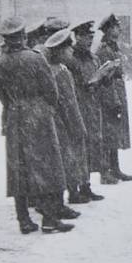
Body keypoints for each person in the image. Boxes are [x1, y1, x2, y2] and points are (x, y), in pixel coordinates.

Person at [0, 17, 73, 234]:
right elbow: (51, 91)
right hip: (38, 116)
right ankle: (49, 219)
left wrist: (14, 109)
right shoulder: (35, 59)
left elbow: (3, 96)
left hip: (14, 117)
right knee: (47, 166)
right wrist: (44, 107)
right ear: (22, 36)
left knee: (19, 168)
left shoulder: (0, 62)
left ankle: (24, 220)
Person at [44, 28, 89, 214]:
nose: (72, 51)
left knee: (54, 162)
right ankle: (61, 203)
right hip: (63, 123)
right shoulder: (62, 72)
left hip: (50, 121)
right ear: (60, 51)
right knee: (66, 160)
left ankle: (56, 202)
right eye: (68, 48)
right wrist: (79, 127)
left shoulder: (47, 68)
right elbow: (70, 104)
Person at [66, 20, 105, 203]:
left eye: (91, 38)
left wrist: (103, 77)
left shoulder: (92, 57)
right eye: (86, 38)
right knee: (76, 149)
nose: (90, 41)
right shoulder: (70, 59)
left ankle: (86, 185)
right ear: (77, 37)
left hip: (91, 106)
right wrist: (86, 85)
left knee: (90, 146)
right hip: (77, 107)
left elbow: (95, 78)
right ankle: (74, 189)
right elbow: (69, 86)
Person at [96, 13, 132, 183]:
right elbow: (106, 76)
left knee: (115, 129)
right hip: (109, 91)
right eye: (117, 27)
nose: (119, 29)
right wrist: (113, 98)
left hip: (117, 89)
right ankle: (106, 171)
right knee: (108, 131)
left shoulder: (113, 47)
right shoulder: (105, 50)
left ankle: (115, 168)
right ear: (110, 29)